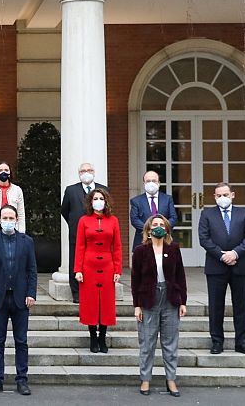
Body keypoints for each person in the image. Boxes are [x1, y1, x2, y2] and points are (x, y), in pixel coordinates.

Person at [0, 204, 37, 396]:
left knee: (21, 341)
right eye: (5, 218)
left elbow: (32, 271)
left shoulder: (27, 241)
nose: (8, 221)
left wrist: (31, 293)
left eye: (11, 218)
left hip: (21, 299)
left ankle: (22, 380)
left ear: (17, 220)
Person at [131, 214, 187, 397]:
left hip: (170, 298)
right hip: (148, 298)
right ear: (148, 229)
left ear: (167, 229)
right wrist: (137, 305)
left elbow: (180, 276)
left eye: (161, 224)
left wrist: (183, 301)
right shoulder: (140, 251)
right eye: (154, 224)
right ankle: (145, 379)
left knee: (170, 342)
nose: (158, 227)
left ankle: (171, 379)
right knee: (147, 342)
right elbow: (135, 279)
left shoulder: (174, 249)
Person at [199, 182, 245, 355]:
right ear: (214, 197)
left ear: (232, 195)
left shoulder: (243, 213)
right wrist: (222, 255)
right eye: (218, 195)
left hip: (239, 265)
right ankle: (217, 341)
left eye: (225, 194)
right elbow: (204, 238)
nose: (222, 198)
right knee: (216, 306)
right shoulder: (207, 214)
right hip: (216, 266)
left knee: (240, 305)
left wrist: (235, 253)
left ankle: (242, 342)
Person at [74, 188, 122, 354]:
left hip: (107, 266)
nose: (98, 201)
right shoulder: (84, 220)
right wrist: (77, 269)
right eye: (95, 198)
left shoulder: (113, 220)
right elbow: (79, 246)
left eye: (101, 198)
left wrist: (117, 269)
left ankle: (102, 337)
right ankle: (93, 338)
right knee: (91, 303)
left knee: (106, 304)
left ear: (106, 200)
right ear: (90, 202)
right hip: (89, 266)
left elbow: (117, 247)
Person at [61, 162, 108, 303]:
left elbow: (108, 210)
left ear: (94, 172)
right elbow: (64, 210)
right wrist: (75, 224)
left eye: (89, 170)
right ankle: (76, 293)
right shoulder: (71, 190)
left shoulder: (103, 189)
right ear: (79, 173)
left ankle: (96, 290)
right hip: (77, 234)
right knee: (76, 262)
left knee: (96, 263)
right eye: (83, 170)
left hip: (98, 235)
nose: (86, 173)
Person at [129, 171, 178, 253]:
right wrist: (150, 229)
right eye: (148, 181)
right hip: (143, 241)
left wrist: (161, 229)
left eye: (154, 181)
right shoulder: (136, 201)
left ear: (158, 183)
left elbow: (173, 218)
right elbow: (134, 220)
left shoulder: (167, 199)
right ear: (144, 183)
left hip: (164, 240)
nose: (151, 183)